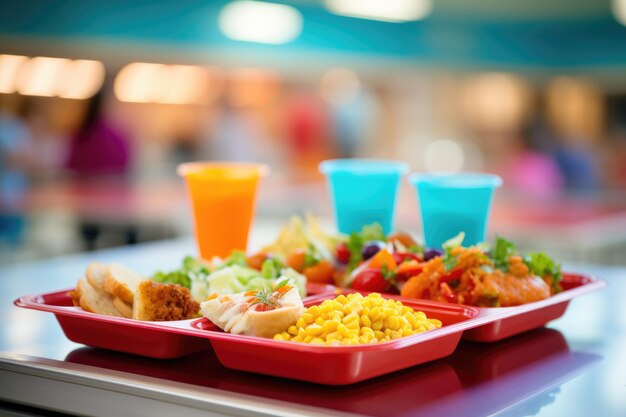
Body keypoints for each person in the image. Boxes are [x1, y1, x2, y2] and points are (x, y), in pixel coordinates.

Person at [65, 89, 131, 176]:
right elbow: (123, 164)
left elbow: (71, 163)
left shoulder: (79, 133)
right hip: (106, 184)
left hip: (82, 184)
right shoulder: (113, 136)